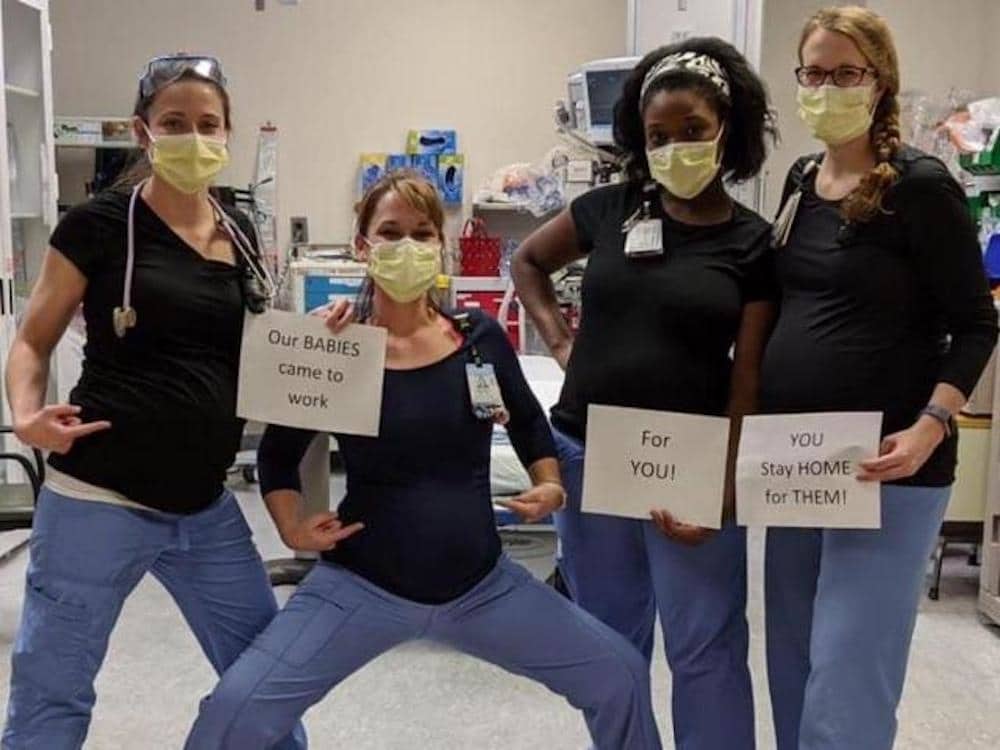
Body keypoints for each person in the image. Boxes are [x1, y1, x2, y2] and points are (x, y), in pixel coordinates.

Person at [183, 172, 662, 750]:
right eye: (390, 232)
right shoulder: (339, 346)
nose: (406, 246)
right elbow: (280, 457)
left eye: (422, 233)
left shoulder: (476, 339)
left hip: (482, 586)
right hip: (362, 585)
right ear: (362, 246)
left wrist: (550, 483)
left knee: (621, 675)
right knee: (232, 714)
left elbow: (530, 422)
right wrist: (292, 526)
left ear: (441, 245)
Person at [2, 55, 304, 750]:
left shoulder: (239, 233)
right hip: (98, 497)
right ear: (143, 131)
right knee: (54, 686)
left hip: (204, 504)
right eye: (174, 123)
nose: (192, 139)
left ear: (226, 135)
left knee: (268, 675)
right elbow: (31, 341)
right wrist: (26, 416)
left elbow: (266, 346)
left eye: (207, 124)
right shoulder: (100, 226)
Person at [513, 38, 777, 750]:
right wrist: (562, 342)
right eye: (658, 136)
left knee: (706, 645)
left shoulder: (753, 245)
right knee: (608, 642)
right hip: (589, 452)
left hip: (688, 463)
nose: (675, 147)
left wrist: (723, 492)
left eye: (692, 130)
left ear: (728, 128)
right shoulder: (609, 210)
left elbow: (746, 377)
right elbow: (528, 260)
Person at [761, 7, 998, 749]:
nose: (826, 87)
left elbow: (979, 323)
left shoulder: (921, 189)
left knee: (848, 670)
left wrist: (933, 425)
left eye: (846, 73)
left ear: (880, 82)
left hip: (889, 466)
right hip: (798, 460)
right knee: (793, 660)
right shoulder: (803, 179)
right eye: (814, 73)